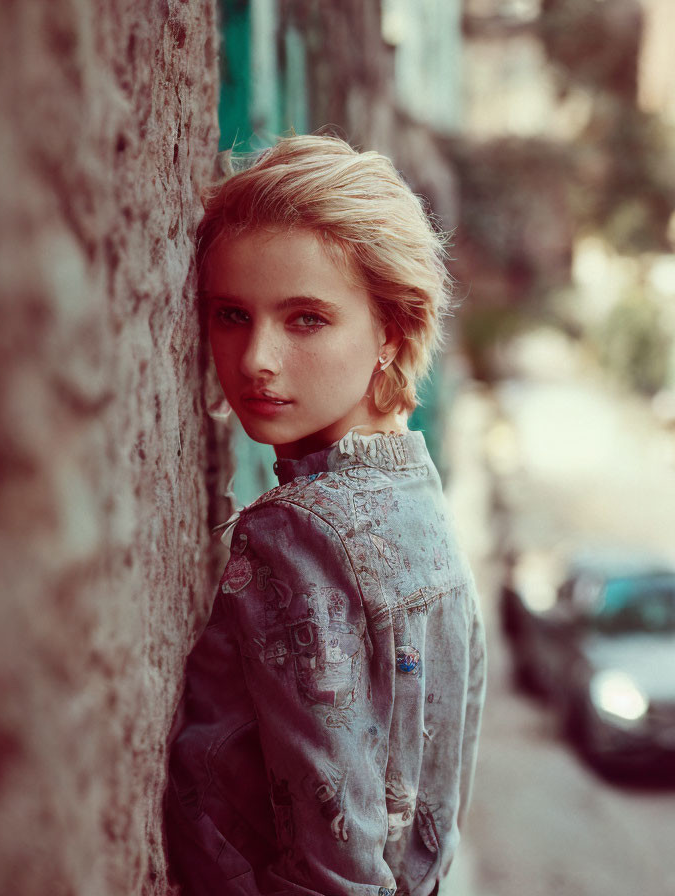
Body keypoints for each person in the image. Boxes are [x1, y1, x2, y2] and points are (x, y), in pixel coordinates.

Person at [164, 135, 486, 896]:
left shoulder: (296, 533)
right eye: (231, 314)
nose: (255, 360)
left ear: (393, 333)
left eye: (305, 319)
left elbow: (333, 860)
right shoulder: (426, 510)